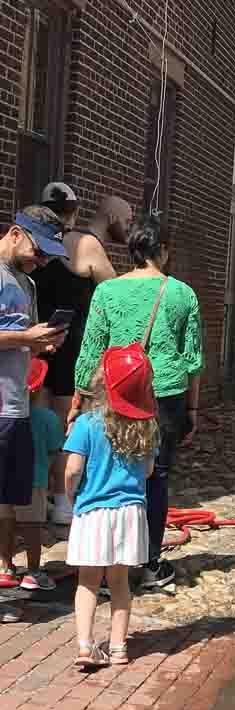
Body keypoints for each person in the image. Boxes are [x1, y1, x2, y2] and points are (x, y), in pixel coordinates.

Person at [70, 215, 203, 589]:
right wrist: (192, 410)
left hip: (114, 395)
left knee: (110, 472)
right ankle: (149, 562)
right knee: (156, 477)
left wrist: (79, 400)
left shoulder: (108, 292)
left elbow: (90, 352)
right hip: (165, 397)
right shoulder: (181, 294)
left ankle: (103, 555)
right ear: (163, 250)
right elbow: (193, 360)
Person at [34, 195, 130, 527]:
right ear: (113, 216)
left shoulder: (46, 245)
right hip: (69, 346)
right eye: (127, 220)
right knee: (66, 426)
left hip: (37, 343)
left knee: (41, 423)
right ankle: (62, 499)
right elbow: (119, 296)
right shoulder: (87, 244)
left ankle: (39, 498)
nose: (128, 227)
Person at [64, 347, 158, 667]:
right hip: (130, 513)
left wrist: (68, 495)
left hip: (93, 511)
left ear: (101, 384)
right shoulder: (147, 427)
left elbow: (73, 470)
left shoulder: (87, 424)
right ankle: (119, 648)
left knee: (88, 581)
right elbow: (146, 472)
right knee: (119, 583)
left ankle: (86, 646)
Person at [0, 206, 69, 617]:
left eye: (46, 256)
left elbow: (22, 338)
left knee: (10, 497)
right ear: (13, 233)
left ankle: (7, 569)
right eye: (36, 250)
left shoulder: (26, 282)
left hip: (17, 407)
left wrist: (39, 343)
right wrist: (26, 336)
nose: (40, 261)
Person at [18, 358, 63, 592]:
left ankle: (5, 566)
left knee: (5, 522)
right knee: (32, 526)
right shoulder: (48, 418)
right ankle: (33, 571)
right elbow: (55, 451)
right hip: (34, 479)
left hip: (5, 477)